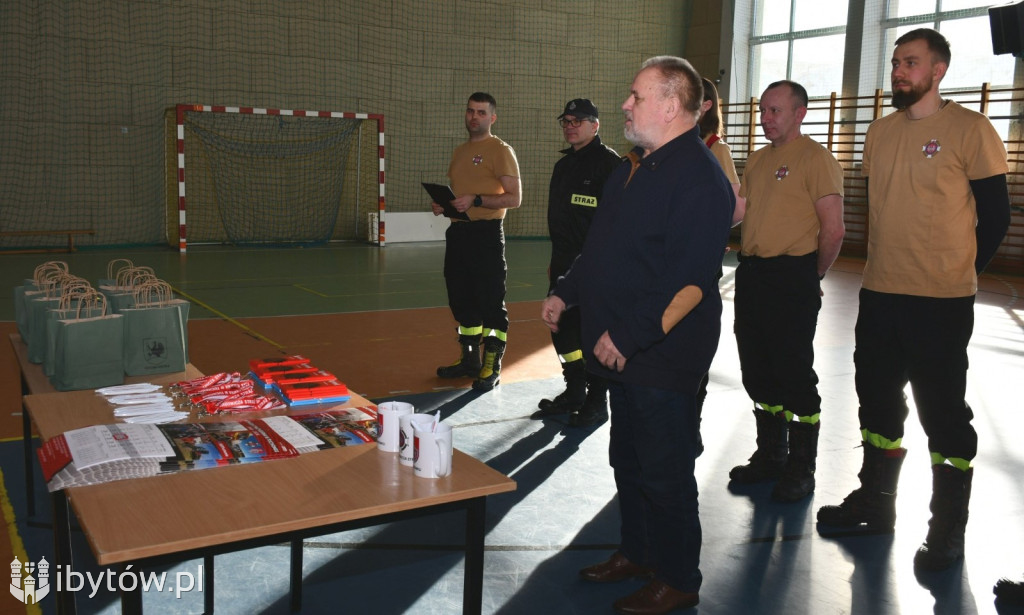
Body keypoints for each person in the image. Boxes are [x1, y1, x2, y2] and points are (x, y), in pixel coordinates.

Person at [541, 56, 734, 614]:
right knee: (627, 459)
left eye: (636, 96)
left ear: (671, 106)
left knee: (665, 470)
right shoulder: (633, 167)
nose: (626, 104)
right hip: (622, 351)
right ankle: (638, 551)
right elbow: (601, 247)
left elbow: (691, 283)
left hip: (661, 355)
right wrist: (568, 290)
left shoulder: (700, 179)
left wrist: (628, 336)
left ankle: (677, 578)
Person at [816, 28, 1010, 572]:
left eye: (911, 63)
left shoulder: (972, 130)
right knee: (876, 401)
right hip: (879, 293)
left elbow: (995, 217)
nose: (900, 71)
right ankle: (876, 504)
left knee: (944, 415)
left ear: (939, 70)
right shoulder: (879, 133)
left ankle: (947, 529)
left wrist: (959, 273)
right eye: (897, 63)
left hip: (940, 302)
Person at [729, 79, 846, 503]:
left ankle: (801, 468)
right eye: (763, 110)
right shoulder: (758, 161)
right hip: (753, 275)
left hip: (792, 275)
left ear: (800, 113)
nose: (766, 118)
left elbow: (833, 230)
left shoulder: (817, 159)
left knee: (793, 371)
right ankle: (771, 456)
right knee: (756, 369)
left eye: (775, 111)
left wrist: (809, 276)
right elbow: (743, 212)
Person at [532, 98, 621, 427]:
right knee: (562, 330)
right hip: (563, 265)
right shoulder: (563, 166)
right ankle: (575, 391)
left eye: (577, 120)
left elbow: (615, 224)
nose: (570, 125)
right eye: (566, 120)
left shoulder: (611, 166)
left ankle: (598, 402)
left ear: (595, 125)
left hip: (595, 268)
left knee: (592, 333)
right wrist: (555, 262)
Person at [432, 92, 522, 391]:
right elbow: (461, 196)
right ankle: (469, 359)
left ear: (492, 118)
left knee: (490, 302)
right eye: (470, 111)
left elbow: (514, 198)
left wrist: (478, 199)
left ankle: (491, 365)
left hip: (486, 236)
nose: (474, 117)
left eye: (481, 113)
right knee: (461, 300)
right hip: (458, 234)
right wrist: (445, 205)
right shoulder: (459, 151)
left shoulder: (500, 150)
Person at [693, 77, 747, 418]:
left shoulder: (716, 148)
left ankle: (691, 418)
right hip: (669, 256)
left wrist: (709, 233)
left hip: (700, 257)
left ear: (707, 105)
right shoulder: (675, 143)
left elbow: (738, 206)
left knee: (695, 336)